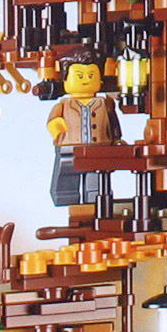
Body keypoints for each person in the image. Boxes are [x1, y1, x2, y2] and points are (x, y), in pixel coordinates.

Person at [45, 51, 120, 213]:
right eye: (79, 76)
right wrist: (59, 132)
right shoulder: (64, 105)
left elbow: (113, 123)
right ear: (65, 80)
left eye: (91, 75)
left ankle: (93, 204)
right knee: (66, 179)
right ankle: (68, 201)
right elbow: (53, 122)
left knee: (96, 181)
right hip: (69, 148)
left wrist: (116, 139)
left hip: (98, 149)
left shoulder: (105, 103)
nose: (86, 80)